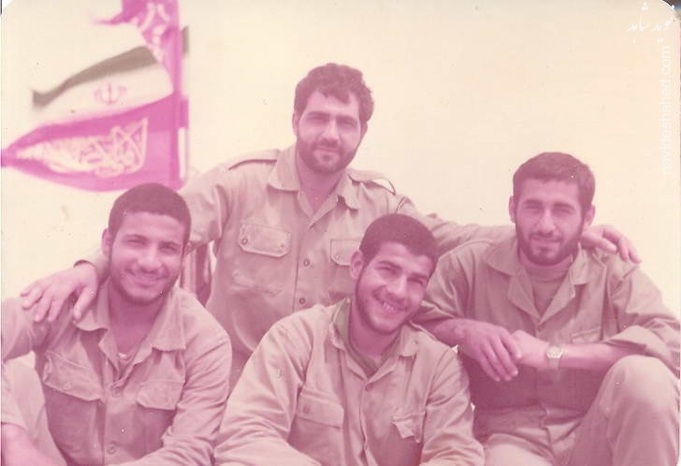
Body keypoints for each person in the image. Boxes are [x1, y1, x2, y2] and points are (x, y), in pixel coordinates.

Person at [20, 64, 637, 384]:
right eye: (318, 118)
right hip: (232, 380)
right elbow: (155, 227)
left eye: (346, 123)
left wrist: (560, 231)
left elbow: (452, 235)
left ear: (362, 132)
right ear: (295, 121)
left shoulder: (377, 203)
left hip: (325, 386)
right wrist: (86, 269)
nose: (330, 133)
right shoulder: (239, 182)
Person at [419, 152, 680, 466]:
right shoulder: (470, 264)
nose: (545, 225)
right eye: (533, 207)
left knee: (648, 378)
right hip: (510, 441)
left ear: (587, 217)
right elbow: (411, 319)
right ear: (513, 208)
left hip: (595, 435)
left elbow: (672, 345)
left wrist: (554, 355)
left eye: (562, 210)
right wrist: (463, 331)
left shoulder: (612, 271)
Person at [215, 214, 484, 465]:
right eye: (388, 270)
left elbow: (456, 455)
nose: (399, 291)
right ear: (356, 265)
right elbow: (245, 435)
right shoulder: (296, 338)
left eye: (416, 281)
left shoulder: (439, 367)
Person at [1, 183, 232, 466]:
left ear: (184, 256)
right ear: (108, 243)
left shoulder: (207, 341)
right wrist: (12, 437)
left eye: (167, 248)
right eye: (136, 242)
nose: (150, 262)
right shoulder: (61, 301)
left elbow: (188, 453)